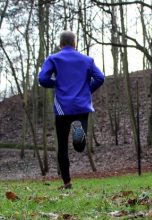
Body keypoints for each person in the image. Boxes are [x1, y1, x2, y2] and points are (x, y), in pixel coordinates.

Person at [38, 30, 105, 189]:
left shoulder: (53, 58)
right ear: (75, 44)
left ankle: (67, 182)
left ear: (60, 44)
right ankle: (78, 133)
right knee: (79, 146)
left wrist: (55, 83)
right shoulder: (87, 60)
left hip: (63, 108)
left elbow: (42, 79)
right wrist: (87, 90)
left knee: (62, 146)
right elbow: (100, 78)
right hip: (82, 106)